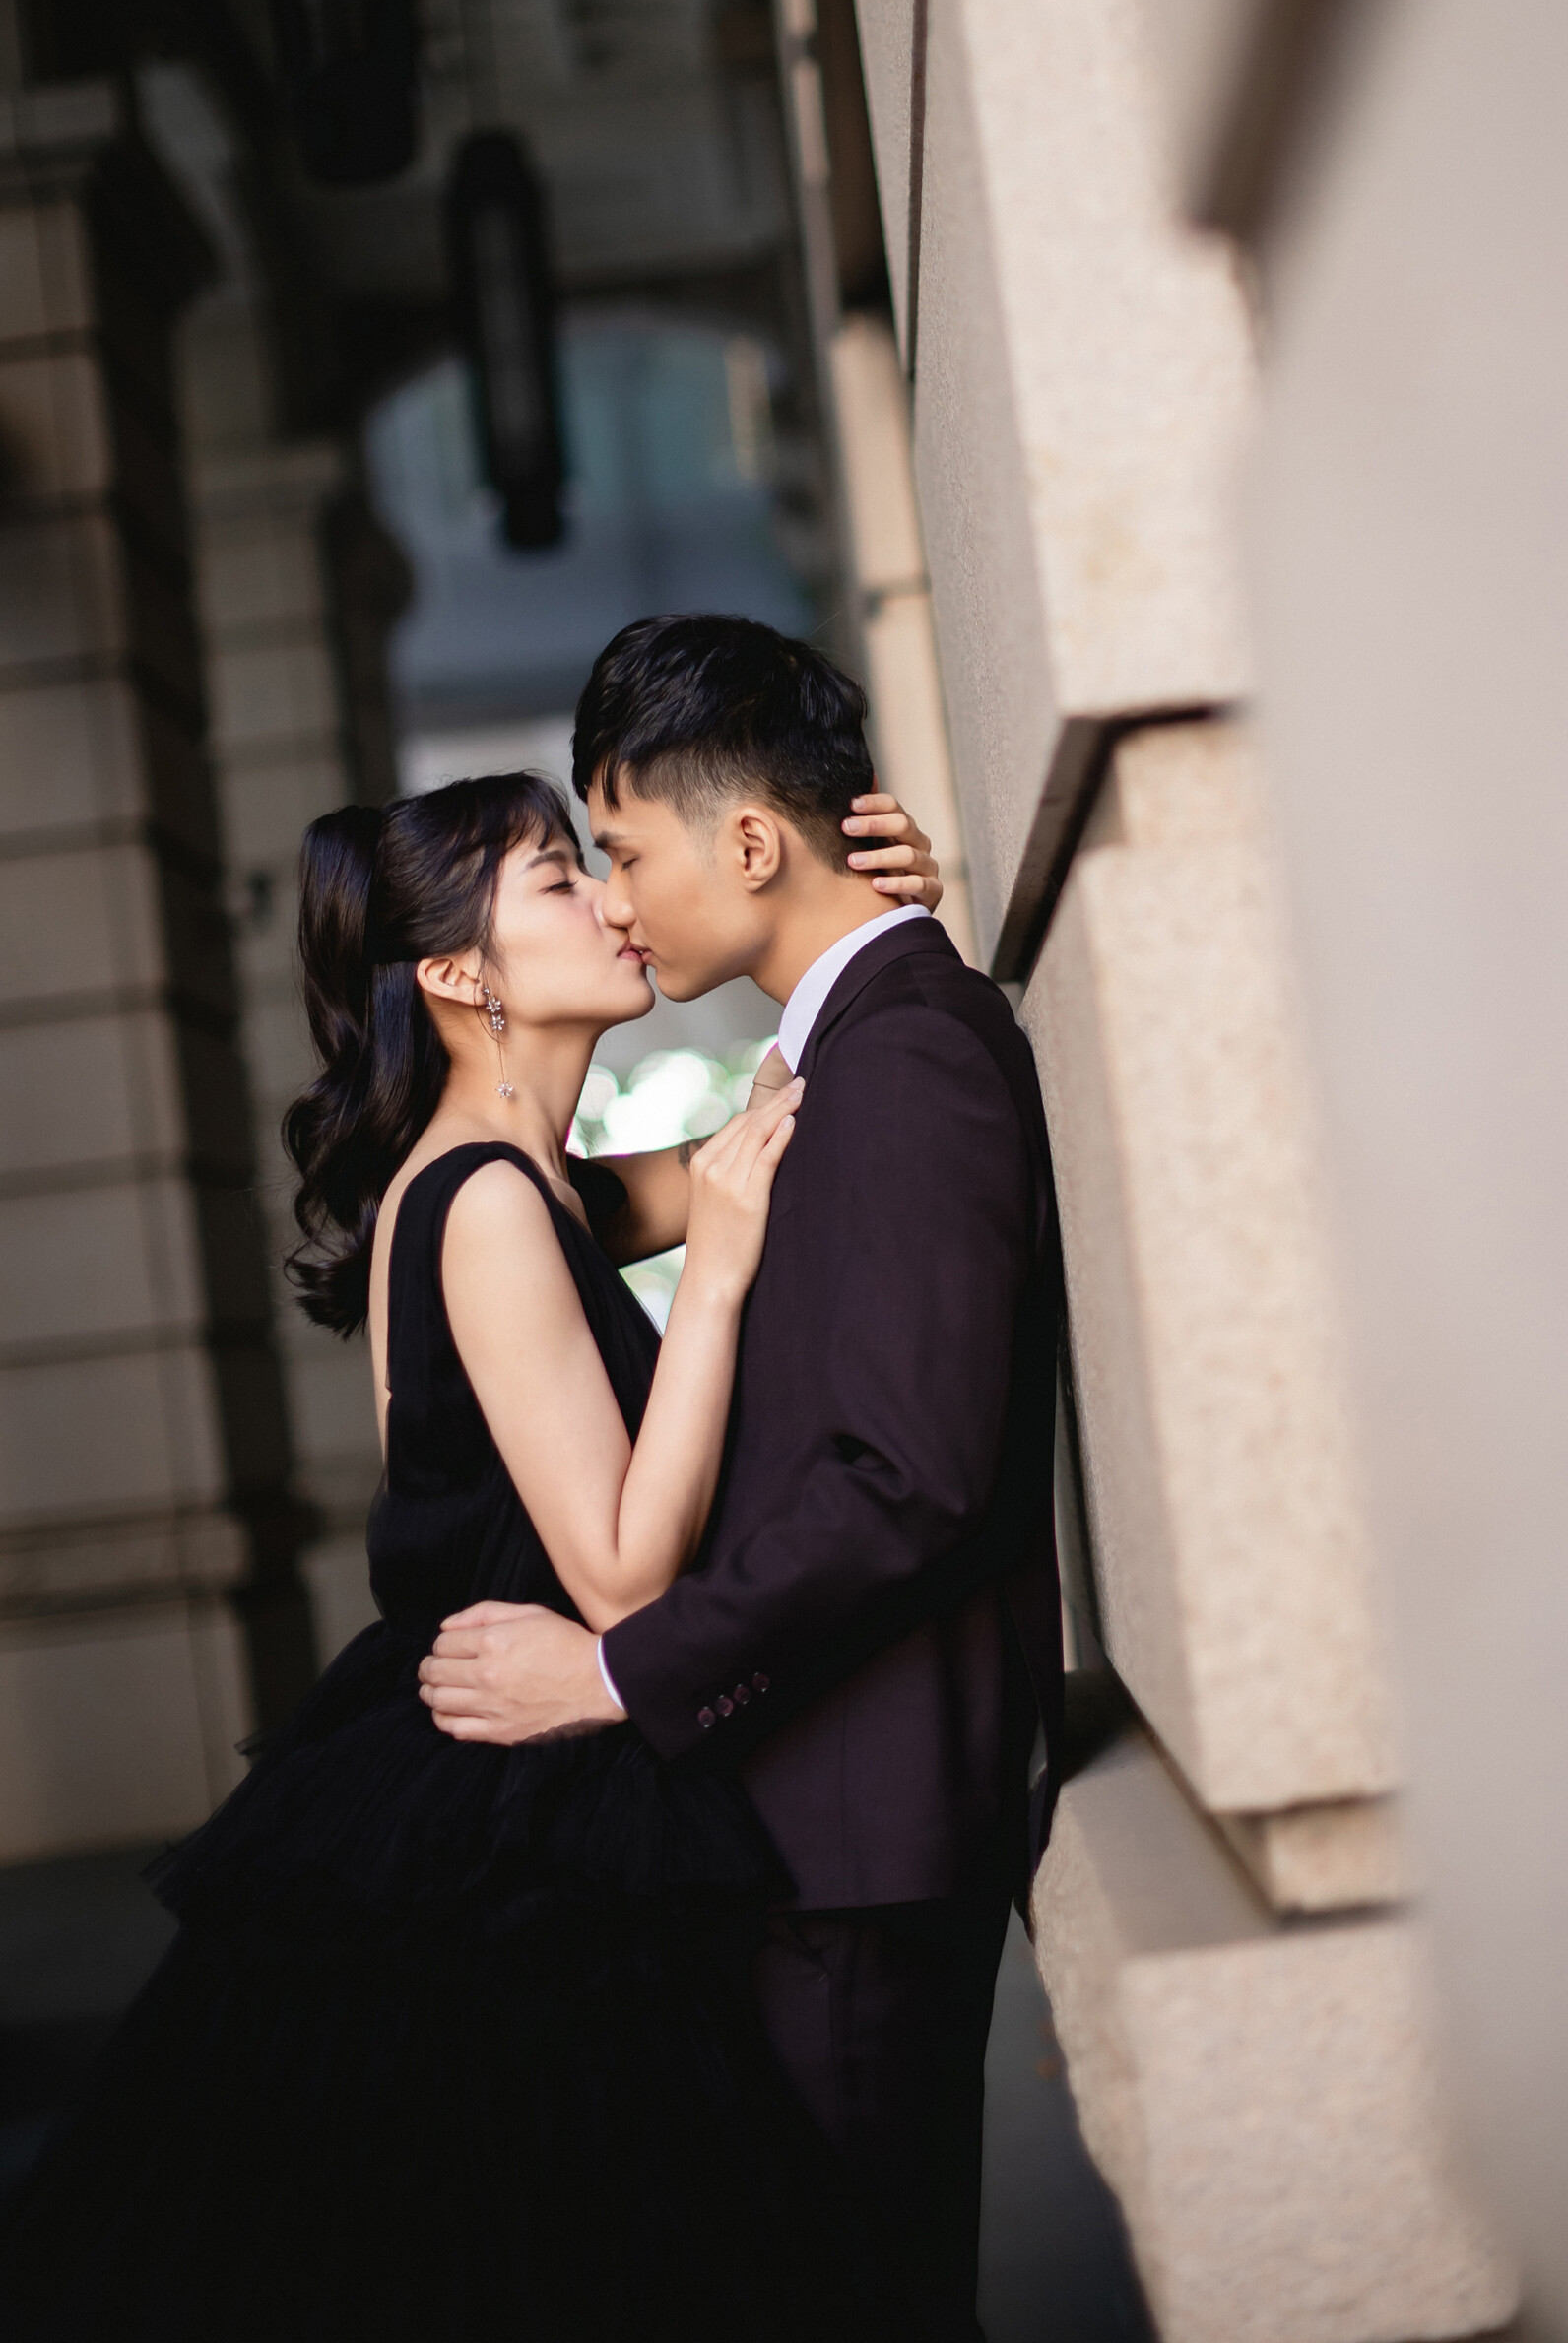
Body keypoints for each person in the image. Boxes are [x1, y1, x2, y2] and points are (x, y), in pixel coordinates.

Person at [0, 759, 943, 2341]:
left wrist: (871, 914)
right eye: (560, 880)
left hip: (487, 1768)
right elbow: (624, 1580)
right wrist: (713, 1282)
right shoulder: (487, 1201)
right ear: (456, 974)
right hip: (506, 1812)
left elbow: (782, 1131)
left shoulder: (529, 1186)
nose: (612, 901)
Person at [419, 614, 1066, 2343]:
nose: (617, 901)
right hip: (820, 1822)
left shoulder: (903, 1053)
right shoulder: (843, 1055)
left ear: (757, 844)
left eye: (622, 852)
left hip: (857, 1832)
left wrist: (617, 1673)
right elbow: (589, 1203)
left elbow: (907, 1480)